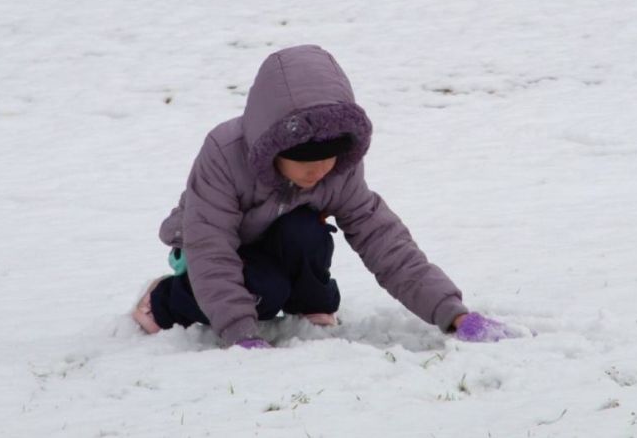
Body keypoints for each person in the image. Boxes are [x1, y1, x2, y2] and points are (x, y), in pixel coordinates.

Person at [133, 44, 518, 348]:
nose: (318, 171)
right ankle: (165, 299)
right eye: (303, 160)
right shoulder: (223, 154)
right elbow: (211, 246)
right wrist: (240, 333)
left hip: (279, 241)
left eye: (327, 158)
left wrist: (452, 313)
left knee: (307, 232)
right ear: (272, 148)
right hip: (214, 252)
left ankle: (306, 303)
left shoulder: (339, 170)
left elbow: (385, 242)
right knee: (264, 294)